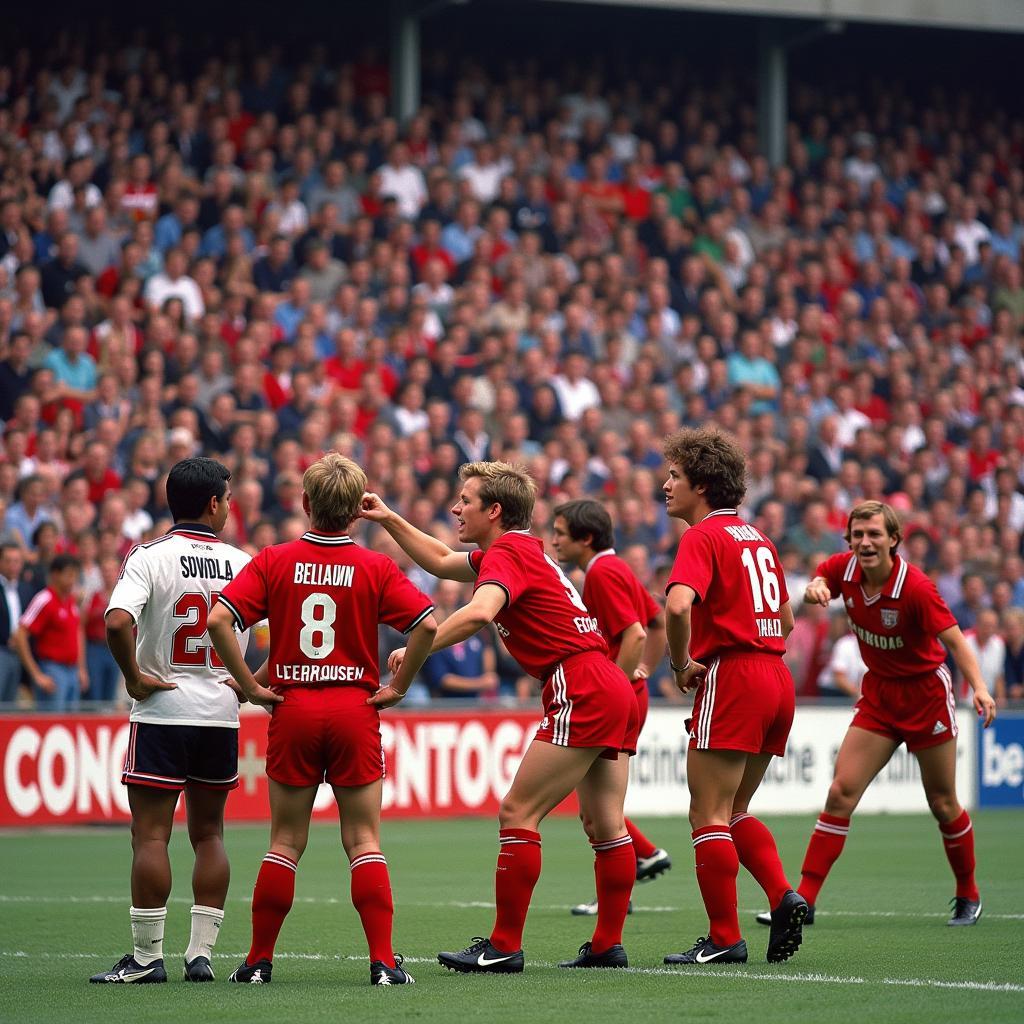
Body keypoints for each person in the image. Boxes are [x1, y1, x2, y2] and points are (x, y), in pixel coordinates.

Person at [361, 461, 639, 973]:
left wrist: (417, 648)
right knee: (606, 824)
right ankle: (607, 944)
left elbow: (480, 612)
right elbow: (443, 559)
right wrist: (388, 518)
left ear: (493, 510)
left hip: (579, 682)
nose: (455, 508)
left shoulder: (507, 553)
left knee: (517, 814)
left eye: (464, 500)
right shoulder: (519, 549)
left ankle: (505, 944)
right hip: (606, 681)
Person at [207, 452, 437, 987]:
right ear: (357, 512)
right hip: (356, 710)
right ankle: (383, 963)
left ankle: (258, 962)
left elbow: (220, 619)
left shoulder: (273, 560)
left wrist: (249, 684)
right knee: (363, 840)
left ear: (305, 503)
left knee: (285, 841)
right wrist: (398, 686)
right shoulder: (375, 566)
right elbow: (425, 625)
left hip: (294, 709)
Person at [755, 500, 997, 931]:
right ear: (848, 539)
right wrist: (815, 586)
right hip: (880, 697)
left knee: (942, 803)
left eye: (874, 535)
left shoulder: (917, 588)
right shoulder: (843, 568)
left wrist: (978, 687)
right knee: (840, 793)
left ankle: (968, 894)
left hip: (925, 697)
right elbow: (821, 577)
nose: (865, 542)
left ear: (893, 541)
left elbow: (957, 642)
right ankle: (804, 901)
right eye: (858, 535)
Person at [90, 458, 252, 984]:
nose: (230, 507)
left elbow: (117, 622)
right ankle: (200, 955)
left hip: (162, 712)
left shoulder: (149, 556)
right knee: (210, 835)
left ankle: (145, 959)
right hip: (220, 715)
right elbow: (285, 630)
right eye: (227, 499)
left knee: (152, 836)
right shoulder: (241, 561)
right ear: (213, 503)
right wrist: (249, 680)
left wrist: (135, 677)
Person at [660, 427, 807, 967]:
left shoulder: (701, 537)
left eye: (675, 475)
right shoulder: (758, 538)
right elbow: (786, 619)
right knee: (736, 808)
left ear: (701, 485)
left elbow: (677, 607)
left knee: (707, 813)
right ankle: (782, 894)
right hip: (775, 676)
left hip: (734, 674)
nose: (666, 484)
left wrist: (680, 664)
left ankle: (724, 937)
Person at [550, 498, 672, 916]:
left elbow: (636, 633)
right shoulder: (615, 567)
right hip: (628, 695)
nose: (554, 541)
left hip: (614, 700)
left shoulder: (601, 572)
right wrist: (643, 671)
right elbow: (656, 624)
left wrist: (617, 684)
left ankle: (624, 886)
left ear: (585, 538)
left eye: (561, 534)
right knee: (596, 814)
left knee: (601, 817)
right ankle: (632, 872)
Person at [12, 553, 87, 711]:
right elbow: (20, 634)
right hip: (52, 669)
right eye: (68, 575)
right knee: (53, 722)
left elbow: (77, 632)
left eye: (75, 575)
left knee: (71, 725)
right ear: (55, 575)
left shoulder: (71, 601)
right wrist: (37, 674)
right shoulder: (44, 599)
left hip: (71, 670)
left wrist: (81, 667)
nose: (72, 580)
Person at [0, 544, 34, 705]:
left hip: (19, 653)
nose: (13, 566)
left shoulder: (25, 589)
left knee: (10, 702)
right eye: (8, 561)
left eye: (17, 561)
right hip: (1, 650)